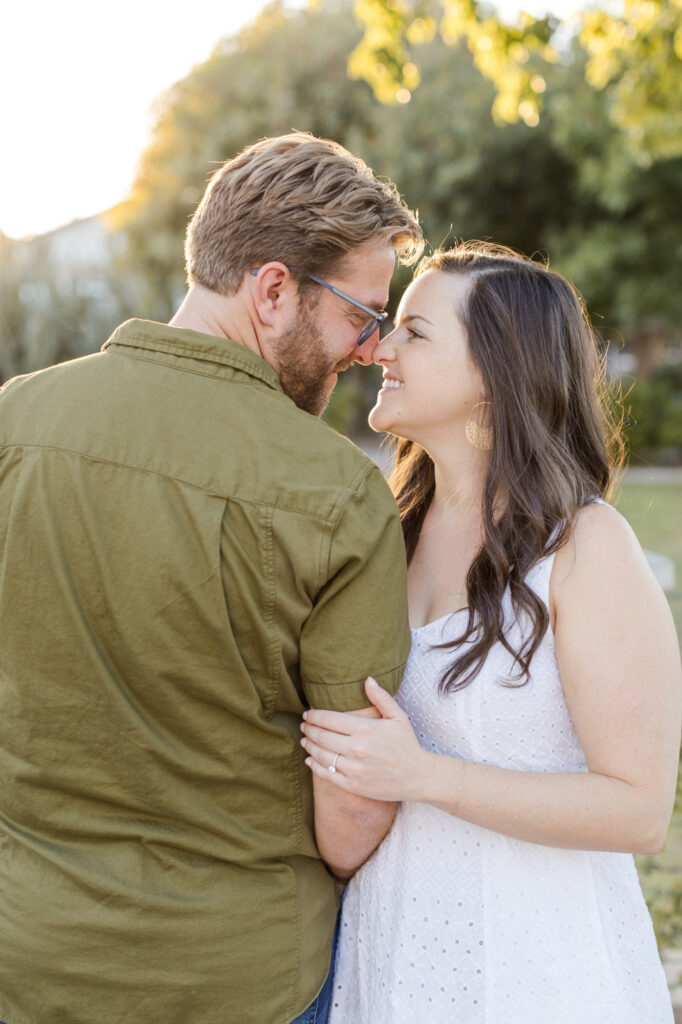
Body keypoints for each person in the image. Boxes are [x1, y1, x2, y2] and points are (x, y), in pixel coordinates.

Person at [0, 132, 423, 1024]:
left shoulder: (14, 421)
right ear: (273, 290)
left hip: (28, 958)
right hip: (243, 978)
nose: (370, 348)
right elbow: (349, 828)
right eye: (364, 314)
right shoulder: (340, 492)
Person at [301, 241, 682, 1023]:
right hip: (388, 958)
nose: (378, 346)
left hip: (534, 970)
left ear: (493, 374)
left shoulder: (584, 546)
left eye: (415, 332)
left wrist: (424, 776)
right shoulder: (384, 532)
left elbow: (639, 812)